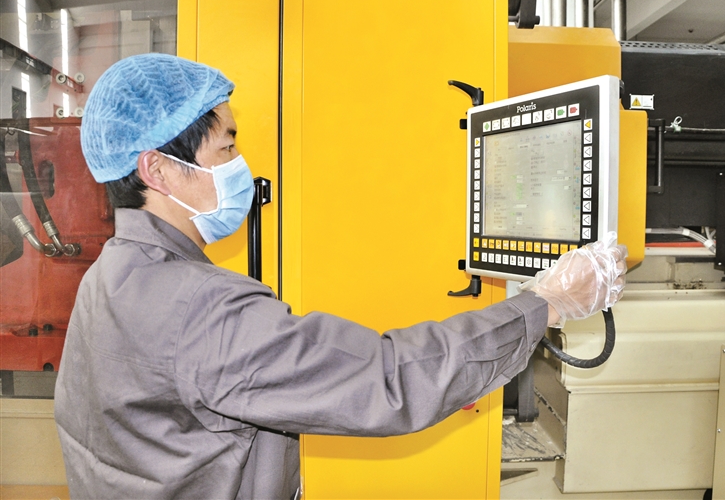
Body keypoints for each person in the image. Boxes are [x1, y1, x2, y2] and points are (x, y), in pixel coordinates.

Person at [54, 53, 627, 500]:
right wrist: (547, 302)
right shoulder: (200, 307)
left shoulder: (108, 278)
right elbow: (388, 379)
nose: (239, 166)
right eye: (226, 148)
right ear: (157, 169)